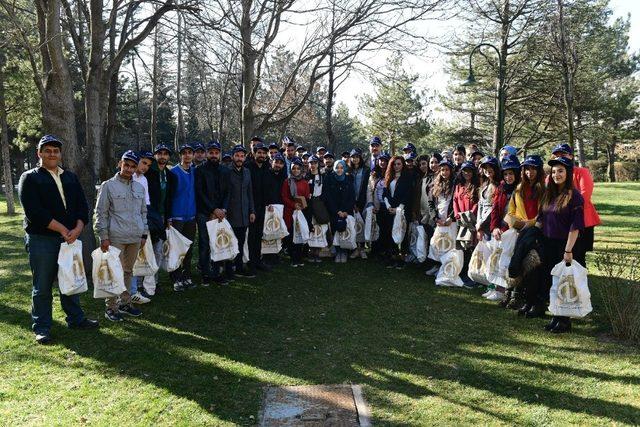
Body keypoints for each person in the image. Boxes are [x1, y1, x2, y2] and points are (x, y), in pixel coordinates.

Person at [18, 135, 99, 344]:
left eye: (55, 151)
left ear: (60, 154)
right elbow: (34, 212)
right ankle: (42, 327)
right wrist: (63, 229)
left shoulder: (70, 177)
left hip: (69, 239)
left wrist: (79, 227)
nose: (52, 154)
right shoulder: (30, 178)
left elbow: (82, 205)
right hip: (42, 239)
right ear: (39, 153)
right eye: (47, 150)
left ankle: (76, 319)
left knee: (70, 280)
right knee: (42, 285)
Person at [95, 150, 148, 322]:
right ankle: (111, 307)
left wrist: (143, 234)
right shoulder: (108, 186)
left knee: (127, 271)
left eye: (133, 166)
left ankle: (125, 303)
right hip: (115, 237)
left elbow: (143, 212)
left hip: (134, 237)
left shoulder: (139, 187)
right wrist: (103, 236)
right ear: (120, 164)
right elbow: (100, 213)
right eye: (126, 165)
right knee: (112, 272)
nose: (129, 169)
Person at [536, 156, 585, 333]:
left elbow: (575, 227)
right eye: (554, 171)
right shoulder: (549, 194)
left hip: (566, 246)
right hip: (548, 243)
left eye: (561, 171)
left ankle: (565, 321)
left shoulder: (574, 196)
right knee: (553, 282)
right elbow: (541, 219)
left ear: (568, 173)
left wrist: (568, 250)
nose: (557, 174)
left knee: (565, 282)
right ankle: (556, 316)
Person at [503, 154, 545, 310]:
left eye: (533, 169)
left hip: (535, 231)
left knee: (526, 260)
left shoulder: (543, 189)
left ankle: (518, 294)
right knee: (510, 255)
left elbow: (542, 214)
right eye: (527, 168)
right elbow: (511, 210)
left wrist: (528, 223)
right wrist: (517, 222)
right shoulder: (519, 188)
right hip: (518, 229)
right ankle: (509, 290)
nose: (530, 172)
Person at [551, 143, 600, 266]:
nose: (559, 157)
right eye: (556, 155)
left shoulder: (581, 172)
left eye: (563, 154)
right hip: (560, 221)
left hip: (581, 220)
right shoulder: (554, 175)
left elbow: (585, 194)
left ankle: (579, 283)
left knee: (578, 256)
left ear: (571, 156)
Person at [194, 140, 230, 286]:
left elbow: (228, 193)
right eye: (211, 153)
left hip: (221, 214)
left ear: (220, 154)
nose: (214, 155)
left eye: (216, 153)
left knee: (219, 243)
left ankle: (217, 273)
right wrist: (213, 210)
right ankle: (205, 273)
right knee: (204, 244)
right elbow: (200, 193)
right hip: (204, 213)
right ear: (207, 153)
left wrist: (223, 210)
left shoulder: (225, 171)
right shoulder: (199, 170)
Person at [144, 143, 174, 296]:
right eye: (160, 153)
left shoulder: (169, 175)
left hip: (163, 216)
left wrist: (168, 217)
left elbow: (170, 198)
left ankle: (154, 282)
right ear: (155, 155)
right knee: (147, 250)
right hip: (149, 215)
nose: (162, 156)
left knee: (158, 250)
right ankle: (145, 283)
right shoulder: (149, 172)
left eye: (165, 153)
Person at [490, 155, 521, 304]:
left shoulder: (520, 188)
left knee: (507, 260)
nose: (508, 177)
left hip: (513, 229)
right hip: (500, 229)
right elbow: (495, 209)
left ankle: (507, 291)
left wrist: (503, 228)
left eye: (511, 174)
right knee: (496, 258)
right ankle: (496, 288)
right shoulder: (501, 188)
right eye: (506, 174)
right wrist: (494, 227)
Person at [167, 144, 197, 291]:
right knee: (176, 249)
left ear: (193, 155)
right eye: (184, 153)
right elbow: (168, 196)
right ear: (180, 155)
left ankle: (186, 275)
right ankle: (175, 277)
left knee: (189, 248)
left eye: (189, 152)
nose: (187, 155)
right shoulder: (173, 172)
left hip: (191, 216)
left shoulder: (194, 171)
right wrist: (169, 216)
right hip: (176, 216)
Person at [225, 145, 256, 278]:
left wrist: (252, 211)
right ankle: (227, 269)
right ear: (233, 157)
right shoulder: (226, 171)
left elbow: (250, 193)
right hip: (230, 213)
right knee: (229, 242)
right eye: (237, 156)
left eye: (242, 156)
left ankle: (239, 267)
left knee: (240, 242)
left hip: (244, 214)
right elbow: (223, 193)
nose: (239, 158)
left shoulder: (247, 172)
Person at [475, 156, 501, 299]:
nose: (488, 171)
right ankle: (490, 286)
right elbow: (480, 205)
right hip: (483, 226)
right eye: (485, 168)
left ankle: (498, 289)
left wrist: (482, 223)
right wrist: (478, 224)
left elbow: (494, 208)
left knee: (494, 258)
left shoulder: (498, 185)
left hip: (491, 225)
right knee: (487, 258)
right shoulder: (484, 185)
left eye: (490, 168)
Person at [129, 151, 154, 304]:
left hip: (137, 223)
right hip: (121, 225)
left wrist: (144, 228)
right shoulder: (124, 177)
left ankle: (133, 292)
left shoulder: (143, 180)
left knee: (133, 260)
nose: (145, 167)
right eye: (144, 163)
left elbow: (145, 204)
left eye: (148, 165)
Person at [380, 155, 413, 269]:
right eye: (394, 164)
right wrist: (389, 207)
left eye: (399, 164)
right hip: (390, 210)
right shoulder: (389, 177)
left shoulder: (407, 177)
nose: (396, 166)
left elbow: (408, 195)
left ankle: (402, 259)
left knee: (402, 233)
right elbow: (385, 194)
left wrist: (399, 209)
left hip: (402, 211)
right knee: (391, 233)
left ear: (403, 165)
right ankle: (393, 257)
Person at [426, 158, 456, 276]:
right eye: (442, 170)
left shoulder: (455, 185)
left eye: (447, 170)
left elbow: (456, 203)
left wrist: (452, 217)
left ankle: (446, 269)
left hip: (450, 221)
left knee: (449, 246)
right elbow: (431, 203)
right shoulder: (435, 184)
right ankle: (436, 266)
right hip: (439, 221)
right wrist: (435, 218)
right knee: (437, 244)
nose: (444, 172)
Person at [246, 142, 273, 273]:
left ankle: (257, 261)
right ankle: (250, 262)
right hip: (250, 208)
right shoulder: (248, 167)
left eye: (264, 153)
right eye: (259, 152)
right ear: (254, 153)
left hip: (262, 207)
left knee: (258, 236)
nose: (262, 155)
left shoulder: (267, 167)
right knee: (250, 236)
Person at [413, 153, 442, 269]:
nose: (433, 165)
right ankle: (429, 262)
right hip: (425, 213)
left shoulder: (443, 177)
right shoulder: (427, 178)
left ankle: (437, 264)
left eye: (435, 162)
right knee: (428, 239)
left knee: (437, 239)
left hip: (438, 214)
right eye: (431, 162)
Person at [453, 161, 479, 287]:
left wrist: (469, 215)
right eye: (464, 171)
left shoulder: (477, 186)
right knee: (462, 247)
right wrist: (458, 214)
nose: (467, 173)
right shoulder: (459, 185)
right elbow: (455, 200)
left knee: (471, 247)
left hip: (471, 221)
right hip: (461, 221)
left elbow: (477, 203)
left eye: (469, 171)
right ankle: (462, 272)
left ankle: (470, 276)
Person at [324, 159, 356, 263]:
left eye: (341, 167)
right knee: (336, 229)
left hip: (346, 211)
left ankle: (344, 251)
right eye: (337, 167)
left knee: (345, 229)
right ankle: (338, 251)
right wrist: (337, 211)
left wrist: (346, 211)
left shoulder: (348, 179)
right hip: (334, 211)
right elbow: (328, 197)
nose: (339, 170)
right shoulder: (329, 179)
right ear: (334, 168)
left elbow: (352, 197)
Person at [281, 158, 311, 267]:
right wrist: (294, 205)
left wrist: (302, 204)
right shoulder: (287, 181)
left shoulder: (304, 182)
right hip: (290, 211)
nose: (296, 170)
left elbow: (307, 196)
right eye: (294, 168)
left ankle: (299, 258)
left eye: (298, 168)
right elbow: (284, 197)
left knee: (299, 234)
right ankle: (293, 258)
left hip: (301, 212)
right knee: (291, 236)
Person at [365, 152, 390, 259]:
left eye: (385, 160)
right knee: (377, 227)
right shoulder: (373, 174)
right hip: (377, 205)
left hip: (388, 206)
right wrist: (371, 204)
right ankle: (375, 250)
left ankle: (386, 250)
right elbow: (369, 190)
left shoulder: (391, 174)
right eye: (381, 160)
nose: (382, 162)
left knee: (387, 228)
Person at [348, 148, 370, 259]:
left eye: (357, 157)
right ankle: (355, 248)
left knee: (363, 224)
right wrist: (352, 203)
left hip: (363, 201)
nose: (355, 159)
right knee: (354, 225)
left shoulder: (366, 170)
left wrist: (360, 203)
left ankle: (362, 248)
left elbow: (367, 187)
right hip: (351, 201)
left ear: (360, 158)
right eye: (353, 157)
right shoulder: (348, 170)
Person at [306, 155, 325, 263]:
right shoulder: (306, 177)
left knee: (320, 227)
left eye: (315, 163)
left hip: (319, 204)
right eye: (311, 163)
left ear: (318, 164)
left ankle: (317, 252)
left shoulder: (322, 176)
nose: (313, 165)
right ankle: (310, 252)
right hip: (309, 205)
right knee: (311, 227)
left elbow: (325, 190)